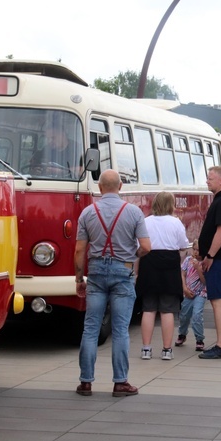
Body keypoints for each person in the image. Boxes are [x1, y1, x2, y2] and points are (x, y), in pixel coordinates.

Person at [74, 169, 151, 397]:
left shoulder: (87, 213)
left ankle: (86, 382)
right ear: (120, 187)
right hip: (123, 272)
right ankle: (120, 382)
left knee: (90, 329)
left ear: (99, 188)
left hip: (96, 272)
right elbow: (146, 246)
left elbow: (79, 249)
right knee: (120, 331)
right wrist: (131, 255)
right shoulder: (134, 212)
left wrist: (79, 279)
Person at [137, 191, 189, 361]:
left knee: (149, 308)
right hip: (169, 266)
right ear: (170, 204)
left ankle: (146, 349)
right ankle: (166, 350)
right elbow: (183, 245)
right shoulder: (176, 222)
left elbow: (140, 246)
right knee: (168, 310)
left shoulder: (146, 221)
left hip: (149, 264)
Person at [197, 166, 221, 359]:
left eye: (210, 178)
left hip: (218, 260)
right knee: (219, 301)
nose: (207, 181)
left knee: (218, 301)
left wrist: (210, 255)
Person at [175, 240, 207, 351]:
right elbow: (182, 274)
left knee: (197, 315)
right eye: (194, 249)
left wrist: (199, 269)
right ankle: (182, 333)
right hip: (188, 291)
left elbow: (205, 281)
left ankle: (199, 338)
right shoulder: (188, 260)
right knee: (184, 315)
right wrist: (184, 287)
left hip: (201, 293)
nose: (196, 252)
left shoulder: (205, 263)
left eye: (199, 250)